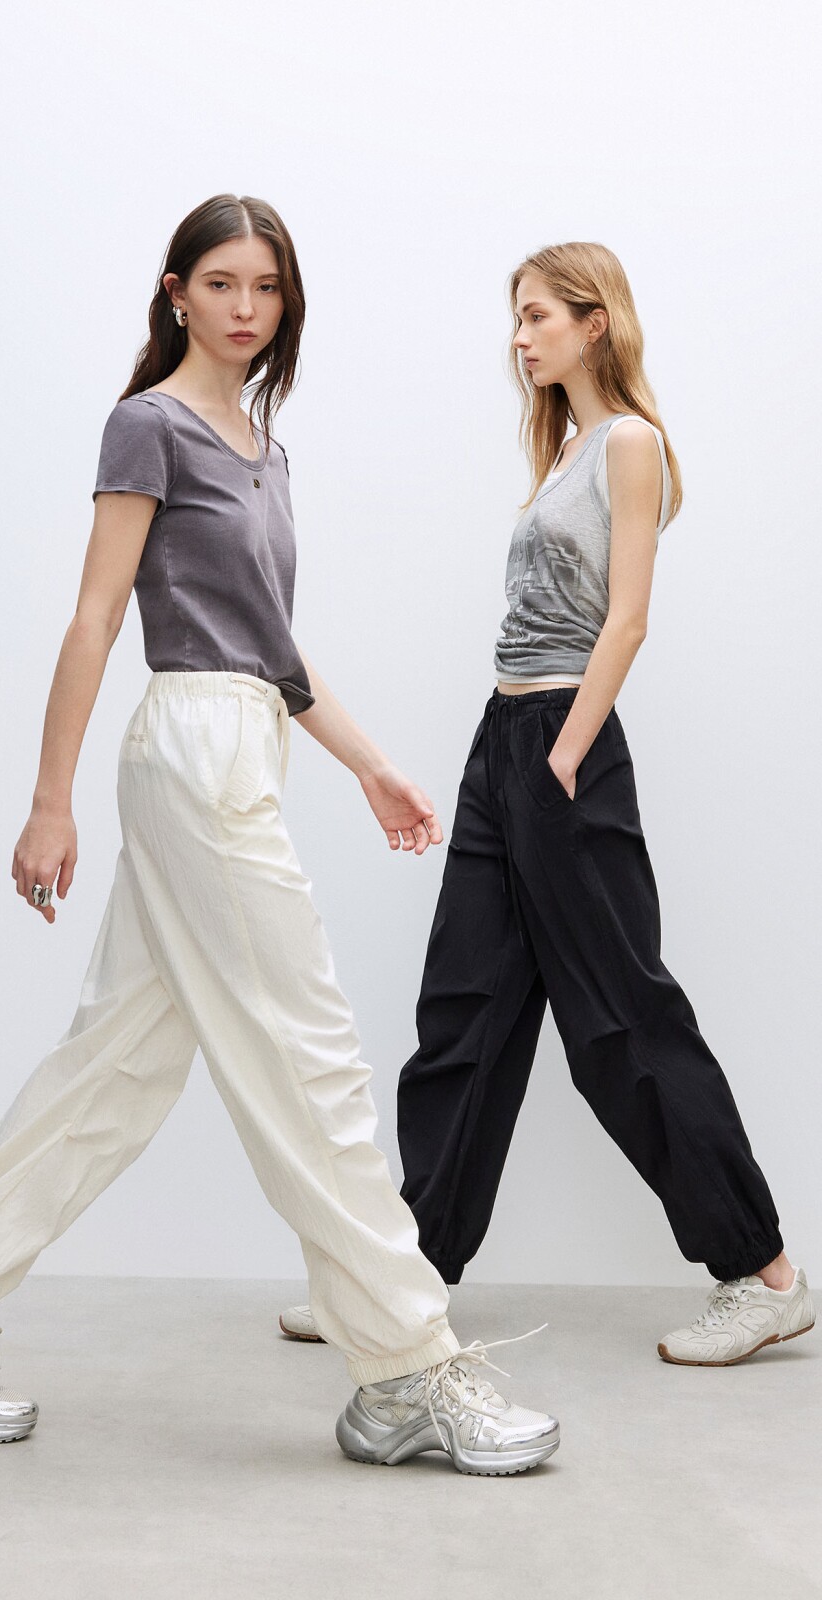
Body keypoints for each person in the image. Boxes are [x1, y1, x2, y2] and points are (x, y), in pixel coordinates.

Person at [0, 194, 560, 1475]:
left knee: (113, 1068)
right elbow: (96, 615)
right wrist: (48, 797)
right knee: (309, 1056)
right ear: (175, 292)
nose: (243, 307)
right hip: (193, 752)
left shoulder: (263, 445)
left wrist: (374, 767)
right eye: (219, 282)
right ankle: (406, 1367)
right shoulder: (150, 424)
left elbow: (274, 650)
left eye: (265, 288)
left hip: (243, 744)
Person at [280, 240, 813, 1368]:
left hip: (566, 744)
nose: (520, 338)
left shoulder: (628, 443)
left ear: (594, 321)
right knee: (462, 1013)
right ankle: (406, 1282)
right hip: (504, 739)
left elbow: (628, 616)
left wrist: (565, 754)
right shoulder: (564, 447)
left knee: (623, 1017)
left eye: (538, 316)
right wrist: (520, 754)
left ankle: (764, 1275)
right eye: (516, 319)